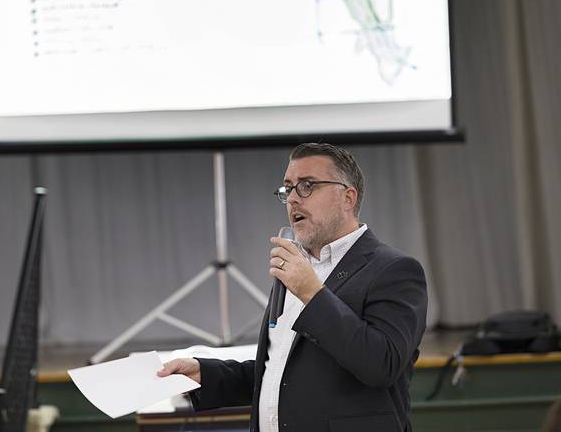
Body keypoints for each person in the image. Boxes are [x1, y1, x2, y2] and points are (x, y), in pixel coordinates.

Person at [158, 143, 428, 432]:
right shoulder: (297, 271)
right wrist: (206, 374)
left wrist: (312, 293)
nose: (293, 200)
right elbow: (281, 373)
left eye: (307, 186)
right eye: (288, 189)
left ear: (348, 198)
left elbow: (381, 365)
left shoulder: (394, 270)